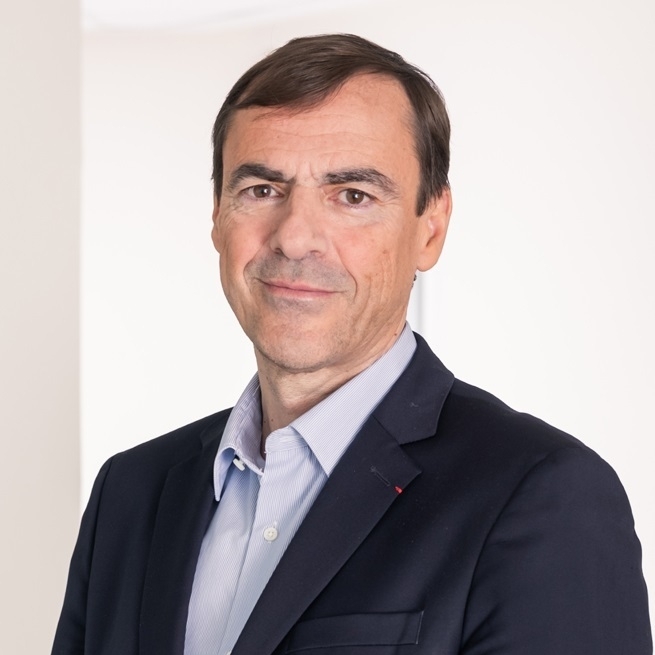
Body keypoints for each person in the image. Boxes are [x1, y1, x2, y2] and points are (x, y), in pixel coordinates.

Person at [52, 34, 651, 655]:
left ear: (431, 228)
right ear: (217, 216)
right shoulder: (131, 494)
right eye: (261, 190)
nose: (295, 238)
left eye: (353, 196)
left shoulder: (539, 497)